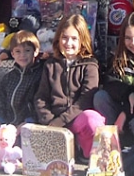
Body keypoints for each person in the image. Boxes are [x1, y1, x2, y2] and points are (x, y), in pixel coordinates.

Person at [34, 14, 106, 160]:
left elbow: (85, 100)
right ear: (58, 39)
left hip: (76, 120)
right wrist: (49, 121)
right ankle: (65, 148)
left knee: (92, 119)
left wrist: (60, 122)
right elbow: (41, 97)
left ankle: (88, 155)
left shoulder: (90, 65)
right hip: (53, 121)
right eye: (64, 38)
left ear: (82, 41)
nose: (68, 43)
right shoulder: (50, 65)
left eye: (74, 39)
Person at [94, 12, 134, 141]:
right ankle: (111, 139)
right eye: (128, 38)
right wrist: (129, 94)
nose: (133, 43)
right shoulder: (117, 57)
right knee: (100, 97)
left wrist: (125, 113)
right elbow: (110, 82)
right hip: (121, 107)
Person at [0, 30, 43, 128]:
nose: (22, 55)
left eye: (27, 51)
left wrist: (29, 122)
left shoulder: (40, 76)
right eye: (18, 51)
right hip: (7, 127)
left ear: (36, 51)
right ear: (12, 54)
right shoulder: (8, 78)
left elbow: (38, 104)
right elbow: (1, 102)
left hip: (29, 126)